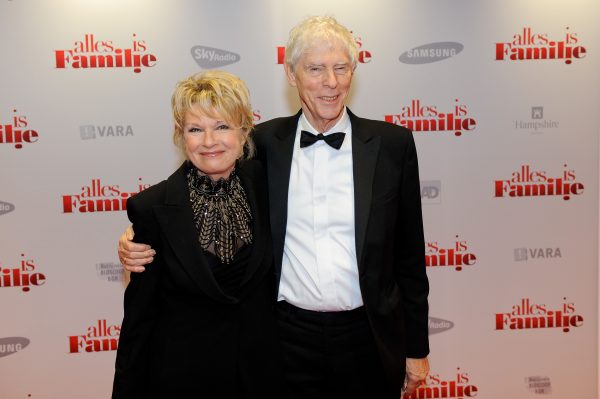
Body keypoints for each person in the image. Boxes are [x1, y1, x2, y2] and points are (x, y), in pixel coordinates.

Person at [119, 16, 430, 398]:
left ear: (354, 71)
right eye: (315, 69)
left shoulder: (393, 146)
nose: (330, 82)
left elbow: (410, 259)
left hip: (369, 337)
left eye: (340, 68)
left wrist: (417, 348)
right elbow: (202, 187)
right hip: (282, 341)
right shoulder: (265, 145)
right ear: (291, 74)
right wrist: (134, 238)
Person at [112, 70, 281, 399]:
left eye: (222, 126)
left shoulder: (269, 184)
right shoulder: (151, 209)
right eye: (195, 129)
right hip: (183, 379)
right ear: (180, 136)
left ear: (244, 130)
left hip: (262, 375)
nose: (209, 141)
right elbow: (139, 321)